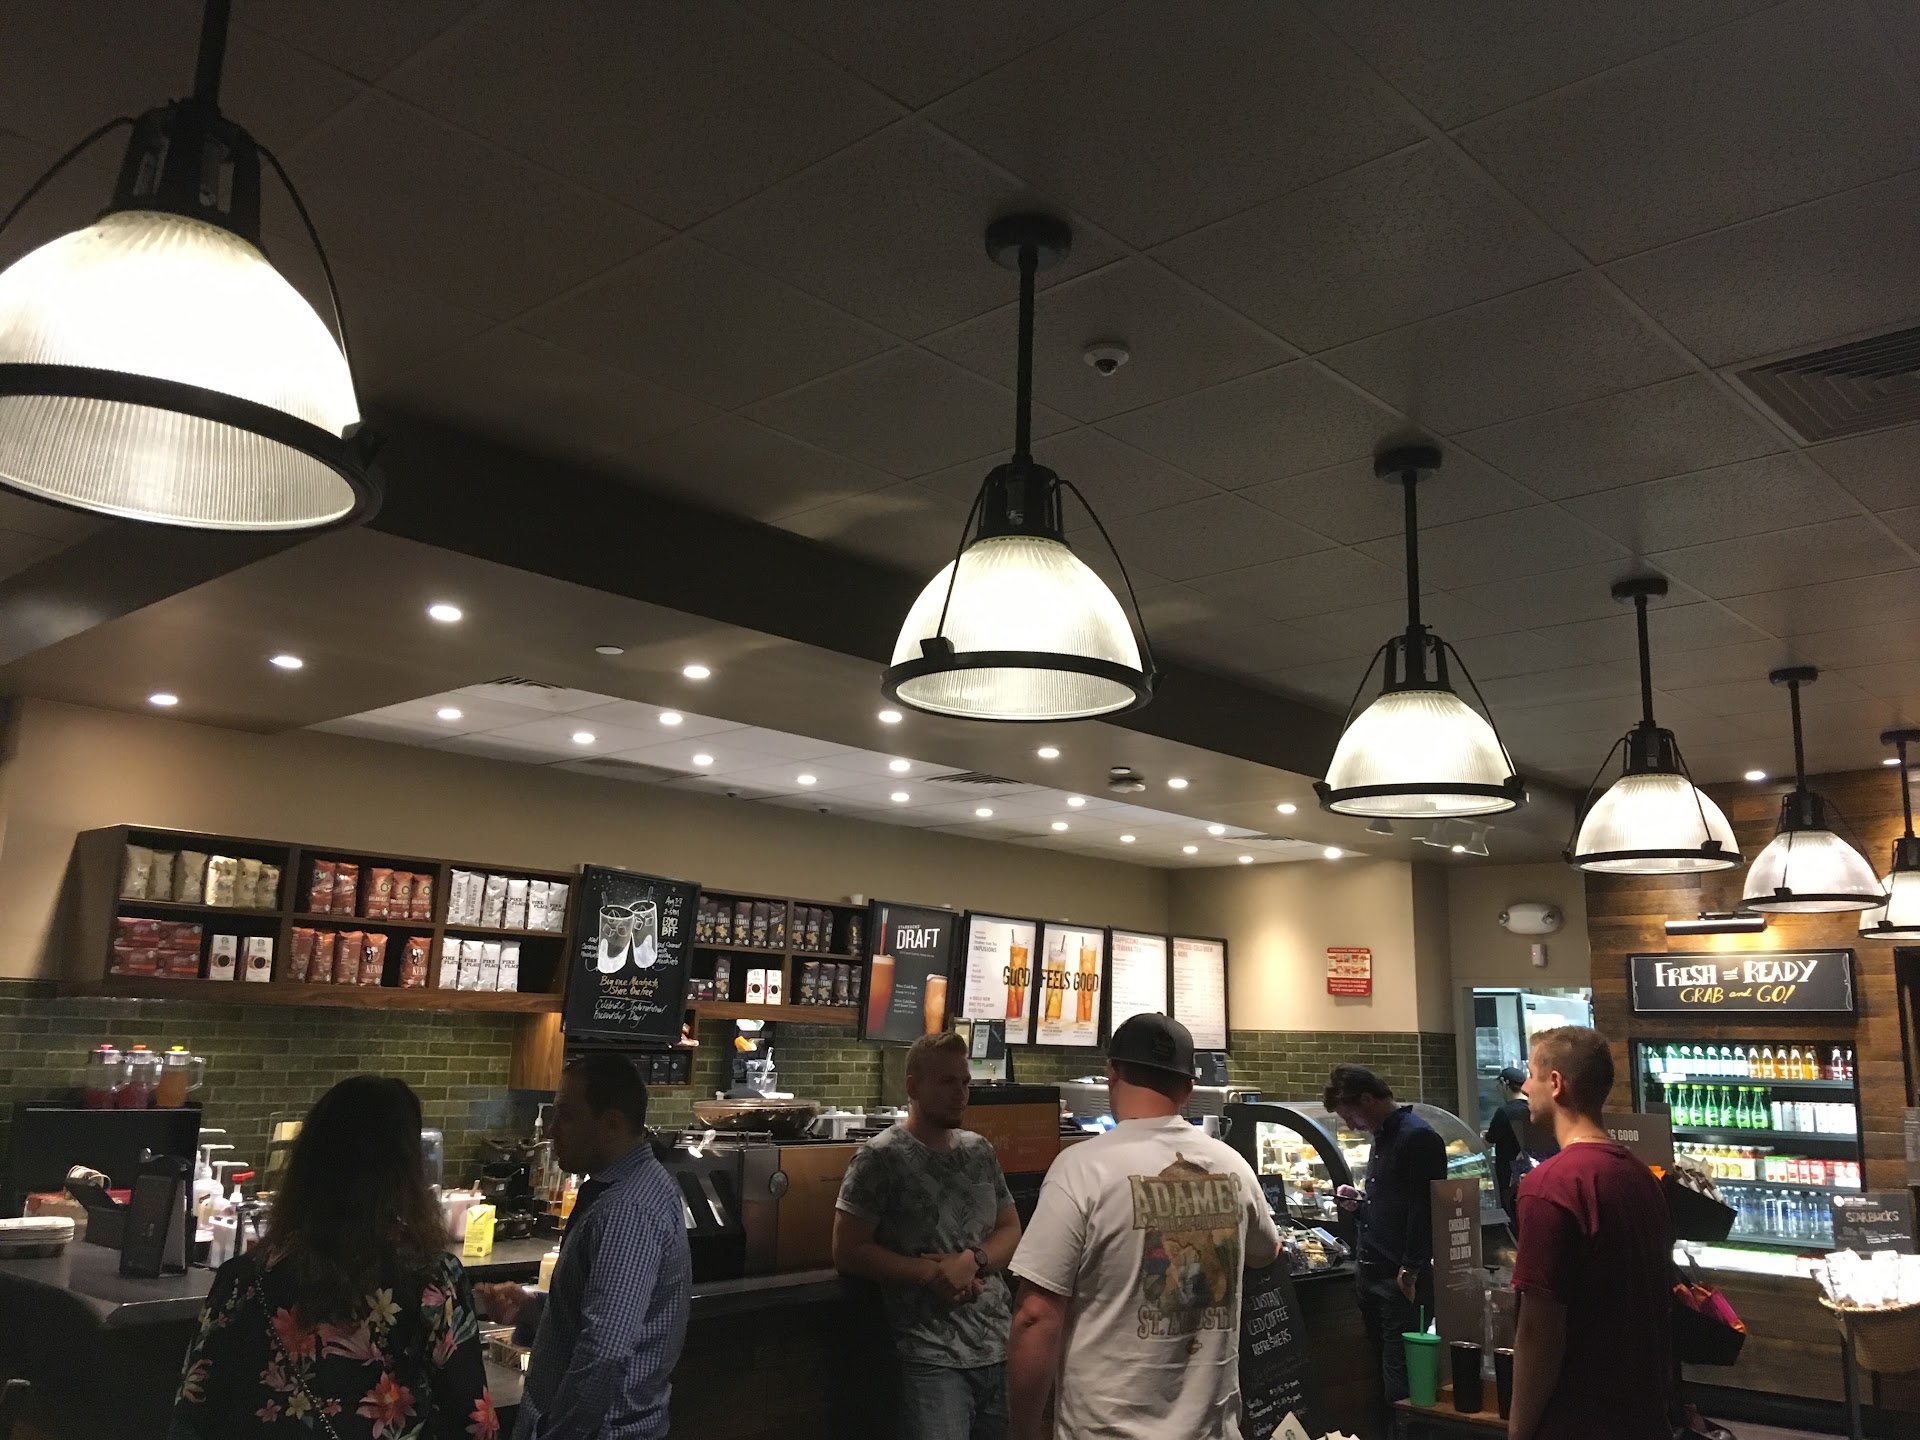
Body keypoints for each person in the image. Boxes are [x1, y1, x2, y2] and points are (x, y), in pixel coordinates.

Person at [171, 1075, 497, 1439]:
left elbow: (194, 1411)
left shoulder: (243, 1277)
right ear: (405, 1172)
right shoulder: (431, 1281)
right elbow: (474, 1422)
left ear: (307, 1163)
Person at [1005, 1014, 1279, 1440]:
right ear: (1187, 1090)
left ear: (1111, 1075)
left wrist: (1022, 1432)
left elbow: (1035, 1316)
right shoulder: (1232, 1167)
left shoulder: (1081, 1168)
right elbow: (1267, 1251)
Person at [475, 1053, 691, 1440]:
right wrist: (533, 1309)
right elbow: (599, 1318)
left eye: (566, 1116)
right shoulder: (631, 1186)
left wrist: (557, 1433)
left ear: (611, 1125)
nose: (551, 1130)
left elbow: (605, 1351)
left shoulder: (626, 1210)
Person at [833, 1030, 1023, 1440]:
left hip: (1000, 1346)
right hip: (929, 1354)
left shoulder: (979, 1150)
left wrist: (972, 1260)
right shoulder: (879, 1157)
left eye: (965, 1082)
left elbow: (1011, 1228)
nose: (961, 1093)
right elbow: (848, 1250)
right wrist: (930, 1274)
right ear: (913, 1086)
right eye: (948, 1082)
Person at [1509, 1026, 1674, 1440]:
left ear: (1556, 1083)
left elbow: (1539, 1332)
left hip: (1579, 1419)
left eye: (1531, 1074)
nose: (1524, 1087)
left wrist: (1518, 1431)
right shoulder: (1641, 1176)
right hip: (1642, 1413)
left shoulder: (1550, 1186)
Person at [1325, 1063, 1446, 1408]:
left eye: (1351, 1116)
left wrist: (1410, 1269)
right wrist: (1360, 1205)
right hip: (1371, 1275)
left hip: (1397, 1279)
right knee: (1383, 1374)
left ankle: (1407, 1432)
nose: (1351, 1126)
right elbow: (1395, 1203)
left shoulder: (1416, 1137)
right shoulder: (1382, 1136)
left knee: (1400, 1382)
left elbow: (1424, 1208)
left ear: (1367, 1099)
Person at [1485, 1064, 1557, 1221]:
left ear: (1504, 1084)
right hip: (1539, 1177)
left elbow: (1488, 1142)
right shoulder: (1537, 1110)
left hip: (1510, 1182)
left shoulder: (1504, 1112)